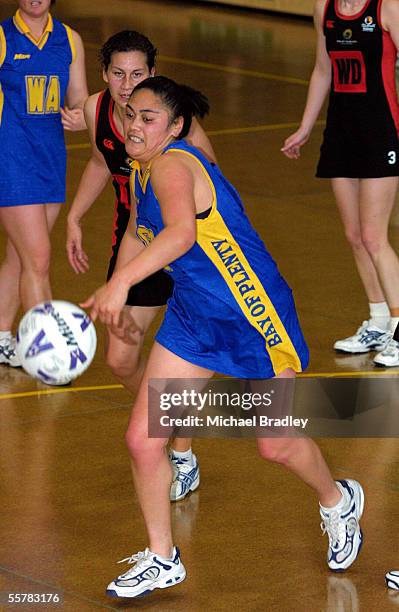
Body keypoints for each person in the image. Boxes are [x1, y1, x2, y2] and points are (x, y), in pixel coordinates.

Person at [82, 76, 364, 598]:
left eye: (149, 118)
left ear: (176, 126)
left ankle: (337, 499)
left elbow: (180, 234)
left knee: (274, 444)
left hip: (252, 317)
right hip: (194, 318)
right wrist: (115, 286)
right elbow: (136, 234)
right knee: (143, 440)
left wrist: (122, 284)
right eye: (129, 115)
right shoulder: (141, 169)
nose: (135, 126)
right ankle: (162, 557)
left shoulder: (172, 164)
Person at [66, 31, 216, 501]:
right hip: (137, 242)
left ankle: (181, 449)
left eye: (137, 74)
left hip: (190, 252)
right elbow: (98, 160)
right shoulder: (97, 112)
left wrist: (169, 172)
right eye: (117, 73)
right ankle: (168, 420)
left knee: (186, 358)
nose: (127, 84)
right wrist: (73, 216)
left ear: (152, 73)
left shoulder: (171, 120)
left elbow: (209, 169)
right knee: (121, 358)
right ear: (103, 74)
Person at [281, 0, 399, 368]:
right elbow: (322, 70)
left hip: (381, 133)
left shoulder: (386, 8)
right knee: (354, 235)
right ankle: (379, 320)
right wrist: (305, 126)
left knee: (374, 236)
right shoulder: (325, 9)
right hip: (342, 134)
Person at [0, 0, 88, 367]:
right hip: (11, 158)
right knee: (38, 259)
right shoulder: (3, 37)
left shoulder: (69, 39)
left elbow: (79, 98)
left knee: (20, 257)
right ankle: (49, 352)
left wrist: (82, 116)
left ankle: (2, 334)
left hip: (51, 159)